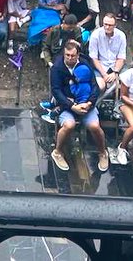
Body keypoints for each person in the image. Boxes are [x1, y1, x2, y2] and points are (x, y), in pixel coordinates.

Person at [47, 40, 109, 173]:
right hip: (67, 105)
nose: (69, 58)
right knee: (69, 125)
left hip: (86, 103)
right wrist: (72, 106)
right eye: (67, 55)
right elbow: (56, 91)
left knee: (94, 126)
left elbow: (94, 86)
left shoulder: (85, 64)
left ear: (78, 55)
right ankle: (57, 152)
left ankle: (102, 152)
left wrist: (89, 103)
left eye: (72, 56)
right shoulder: (57, 68)